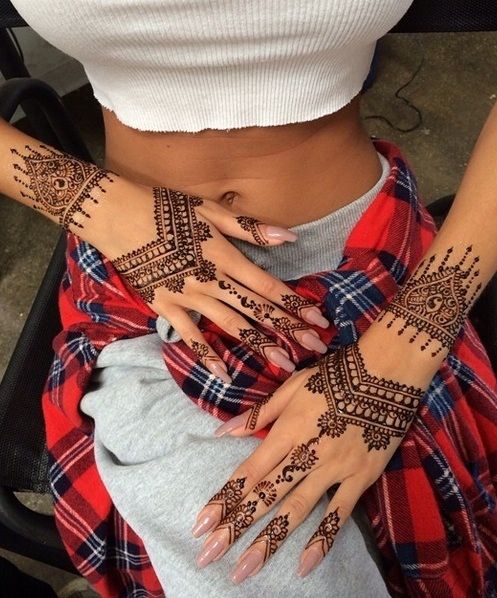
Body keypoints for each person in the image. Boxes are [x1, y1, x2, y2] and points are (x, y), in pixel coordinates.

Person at [1, 1, 497, 596]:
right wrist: (91, 201)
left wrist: (405, 351)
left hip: (380, 270)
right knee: (260, 561)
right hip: (143, 286)